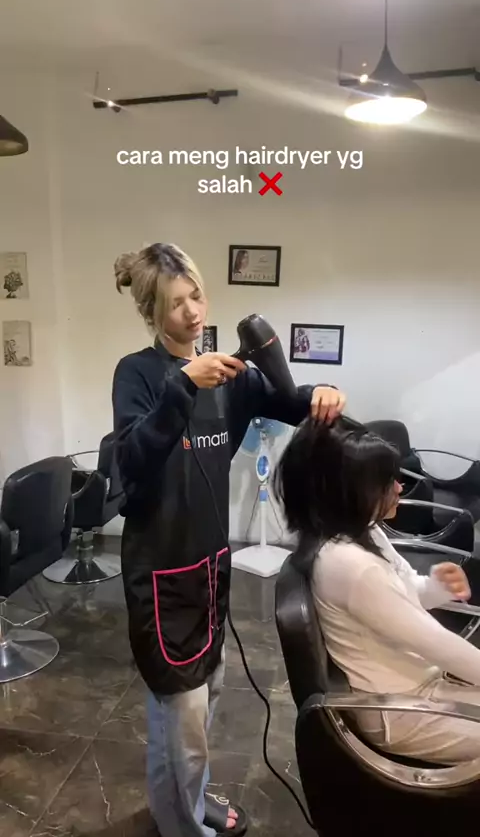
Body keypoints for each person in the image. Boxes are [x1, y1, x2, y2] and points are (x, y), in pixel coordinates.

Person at [110, 242, 347, 837]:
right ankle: (184, 826)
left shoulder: (229, 379)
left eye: (196, 295)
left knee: (203, 702)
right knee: (181, 718)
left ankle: (185, 803)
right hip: (162, 573)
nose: (192, 312)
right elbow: (132, 458)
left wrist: (320, 394)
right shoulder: (138, 374)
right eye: (175, 303)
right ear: (151, 312)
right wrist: (181, 387)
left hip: (211, 567)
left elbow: (288, 401)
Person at [274, 416, 480, 765]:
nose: (399, 488)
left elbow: (401, 596)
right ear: (349, 491)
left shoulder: (361, 531)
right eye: (386, 482)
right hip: (400, 711)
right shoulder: (351, 566)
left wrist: (435, 587)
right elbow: (436, 643)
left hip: (419, 687)